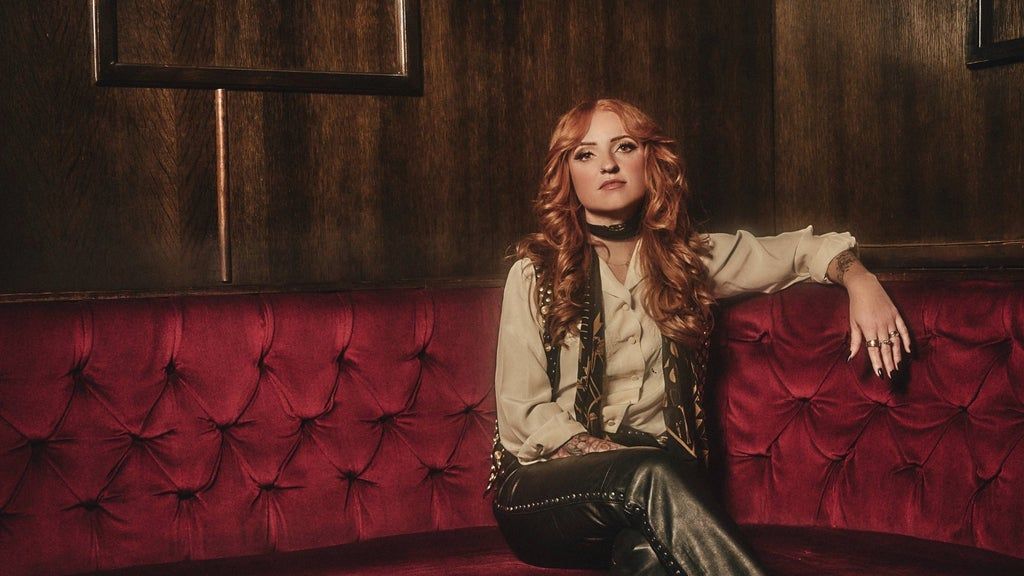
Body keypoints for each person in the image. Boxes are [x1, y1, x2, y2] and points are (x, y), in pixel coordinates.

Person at [488, 99, 911, 575]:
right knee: (652, 471)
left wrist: (861, 282)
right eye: (585, 154)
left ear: (650, 159)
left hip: (656, 499)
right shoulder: (536, 274)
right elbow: (523, 417)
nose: (607, 164)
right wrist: (630, 461)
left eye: (623, 147)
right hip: (543, 495)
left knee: (646, 556)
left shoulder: (687, 262)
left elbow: (799, 251)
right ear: (567, 173)